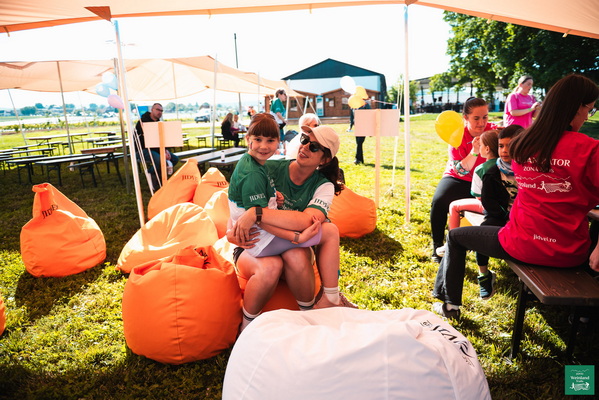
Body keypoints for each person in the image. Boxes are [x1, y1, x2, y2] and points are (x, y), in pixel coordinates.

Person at [432, 74, 599, 319]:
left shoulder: (523, 145)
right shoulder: (590, 150)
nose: (587, 117)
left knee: (455, 237)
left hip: (519, 244)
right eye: (589, 110)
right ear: (577, 108)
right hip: (568, 252)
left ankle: (449, 306)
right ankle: (584, 316)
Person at [228, 122, 357, 331]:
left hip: (288, 245)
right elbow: (238, 203)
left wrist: (257, 213)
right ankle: (247, 329)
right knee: (271, 267)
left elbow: (308, 221)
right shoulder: (269, 167)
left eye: (314, 147)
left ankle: (309, 318)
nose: (305, 147)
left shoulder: (323, 185)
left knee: (296, 254)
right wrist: (230, 233)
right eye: (305, 140)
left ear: (324, 160)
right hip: (253, 245)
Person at [228, 113, 322, 259]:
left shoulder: (254, 162)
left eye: (270, 140)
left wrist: (271, 195)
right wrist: (297, 237)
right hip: (261, 240)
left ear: (278, 141)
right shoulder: (252, 173)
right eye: (258, 139)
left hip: (261, 237)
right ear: (248, 139)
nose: (264, 146)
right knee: (325, 233)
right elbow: (260, 219)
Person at [430, 97, 498, 262]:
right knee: (439, 201)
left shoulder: (493, 131)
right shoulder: (457, 136)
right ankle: (437, 245)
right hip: (459, 178)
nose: (481, 123)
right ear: (465, 118)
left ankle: (487, 243)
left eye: (485, 117)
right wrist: (474, 151)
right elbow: (460, 171)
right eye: (476, 118)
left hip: (484, 179)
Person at [134, 103, 179, 188]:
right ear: (152, 110)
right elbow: (148, 141)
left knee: (175, 159)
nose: (160, 112)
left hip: (156, 149)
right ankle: (151, 173)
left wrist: (165, 150)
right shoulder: (143, 122)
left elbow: (163, 138)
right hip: (143, 150)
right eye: (158, 110)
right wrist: (162, 152)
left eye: (161, 111)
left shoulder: (159, 123)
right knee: (161, 161)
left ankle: (158, 175)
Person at [352, 100, 371, 165]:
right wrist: (350, 126)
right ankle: (361, 159)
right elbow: (352, 117)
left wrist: (370, 130)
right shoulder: (354, 105)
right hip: (357, 126)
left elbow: (370, 116)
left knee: (359, 143)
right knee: (358, 143)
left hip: (364, 126)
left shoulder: (365, 105)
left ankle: (357, 159)